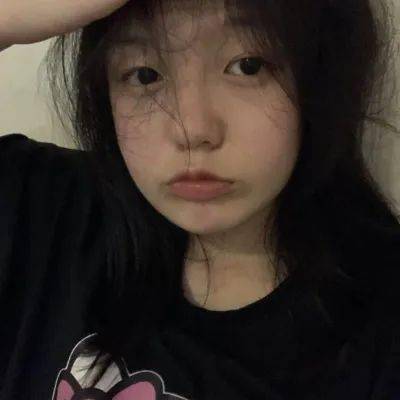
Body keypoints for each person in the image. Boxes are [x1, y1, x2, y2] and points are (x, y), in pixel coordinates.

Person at [1, 0, 400, 399]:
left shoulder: (380, 330)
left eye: (248, 66)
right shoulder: (48, 211)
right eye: (144, 75)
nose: (192, 130)